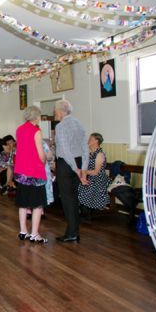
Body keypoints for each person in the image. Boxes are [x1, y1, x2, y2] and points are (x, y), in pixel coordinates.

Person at [54, 100, 88, 243]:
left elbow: (65, 150)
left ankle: (72, 233)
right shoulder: (79, 123)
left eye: (55, 111)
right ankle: (73, 231)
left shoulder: (60, 126)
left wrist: (75, 168)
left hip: (67, 164)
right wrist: (82, 169)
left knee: (67, 200)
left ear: (60, 111)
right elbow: (85, 148)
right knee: (73, 199)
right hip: (78, 162)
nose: (55, 114)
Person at [14, 106, 48, 243]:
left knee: (23, 203)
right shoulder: (36, 131)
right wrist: (45, 159)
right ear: (36, 117)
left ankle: (23, 231)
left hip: (21, 170)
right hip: (34, 171)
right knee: (37, 204)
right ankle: (34, 234)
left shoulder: (19, 129)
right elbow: (41, 154)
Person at [78, 133, 110, 218]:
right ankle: (84, 212)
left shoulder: (99, 154)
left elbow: (96, 172)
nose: (88, 141)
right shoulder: (90, 153)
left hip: (98, 179)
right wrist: (83, 174)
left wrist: (83, 171)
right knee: (79, 186)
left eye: (90, 139)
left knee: (87, 188)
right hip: (90, 177)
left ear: (96, 141)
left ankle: (87, 213)